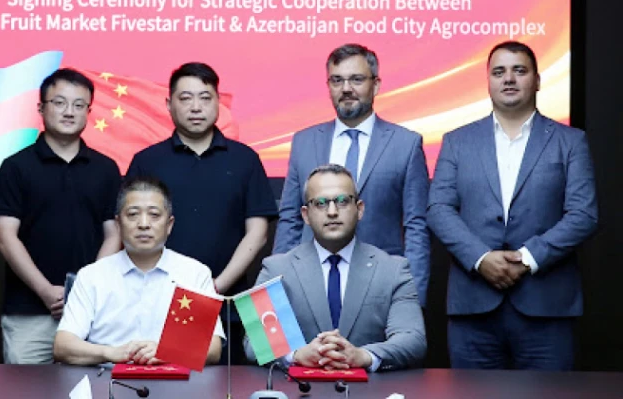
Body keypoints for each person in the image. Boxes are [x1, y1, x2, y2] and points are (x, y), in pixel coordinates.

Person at [427, 41, 598, 370]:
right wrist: (481, 258)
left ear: (537, 80)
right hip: (473, 308)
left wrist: (528, 259)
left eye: (519, 70)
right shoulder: (457, 141)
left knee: (548, 395)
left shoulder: (570, 141)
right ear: (488, 81)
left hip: (546, 308)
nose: (508, 79)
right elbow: (438, 209)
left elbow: (584, 215)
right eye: (499, 72)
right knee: (472, 395)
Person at [126, 62, 277, 362]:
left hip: (230, 301)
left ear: (219, 103)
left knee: (232, 380)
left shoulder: (245, 159)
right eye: (185, 98)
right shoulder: (147, 161)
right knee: (163, 379)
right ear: (168, 104)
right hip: (160, 301)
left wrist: (214, 288)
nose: (196, 107)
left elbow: (258, 233)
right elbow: (129, 230)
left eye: (205, 98)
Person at [272, 44, 430, 306]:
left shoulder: (406, 144)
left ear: (375, 85)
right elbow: (290, 220)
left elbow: (416, 228)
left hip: (379, 287)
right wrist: (276, 292)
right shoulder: (304, 142)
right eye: (337, 80)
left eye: (356, 79)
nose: (346, 88)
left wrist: (412, 297)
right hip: (309, 288)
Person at [0, 68, 122, 364]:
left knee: (92, 387)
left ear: (89, 112)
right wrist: (45, 291)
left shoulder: (106, 169)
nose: (69, 112)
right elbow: (5, 237)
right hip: (29, 313)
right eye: (59, 103)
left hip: (93, 313)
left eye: (79, 105)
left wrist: (83, 291)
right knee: (25, 388)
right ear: (41, 108)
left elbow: (114, 235)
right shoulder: (16, 167)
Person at [250, 164, 426, 372]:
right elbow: (254, 342)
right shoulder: (275, 269)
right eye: (320, 203)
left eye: (342, 201)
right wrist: (296, 355)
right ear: (305, 215)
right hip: (299, 386)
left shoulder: (393, 270)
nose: (332, 212)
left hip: (370, 388)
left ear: (359, 209)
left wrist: (363, 356)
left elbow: (412, 339)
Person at [53, 177, 223, 365]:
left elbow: (213, 348)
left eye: (154, 215)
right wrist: (110, 352)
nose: (143, 224)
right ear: (118, 224)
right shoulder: (92, 276)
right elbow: (63, 345)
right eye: (133, 214)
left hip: (174, 377)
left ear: (169, 225)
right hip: (106, 377)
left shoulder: (194, 273)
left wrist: (168, 351)